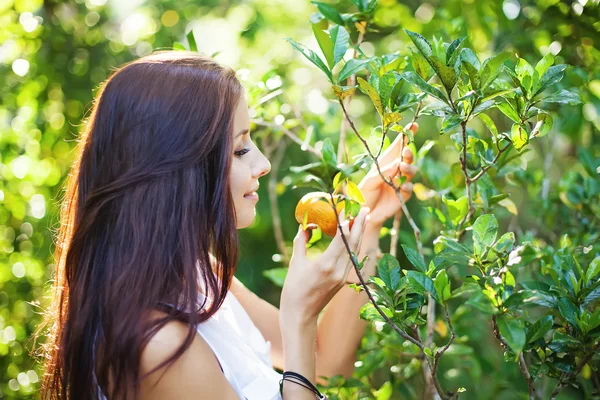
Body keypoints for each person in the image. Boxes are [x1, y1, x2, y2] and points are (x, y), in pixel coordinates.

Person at [35, 51, 417, 399]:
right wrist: (297, 315)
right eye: (240, 150)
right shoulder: (158, 347)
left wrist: (365, 224)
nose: (263, 164)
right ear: (177, 171)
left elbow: (327, 363)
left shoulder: (199, 275)